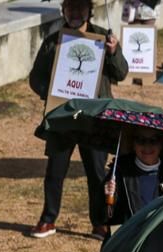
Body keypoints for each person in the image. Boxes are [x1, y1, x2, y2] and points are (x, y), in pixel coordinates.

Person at [27, 0, 129, 239]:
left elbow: (121, 72)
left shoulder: (104, 37)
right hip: (62, 116)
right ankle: (48, 219)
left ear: (89, 11)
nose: (75, 12)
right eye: (70, 7)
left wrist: (113, 53)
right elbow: (35, 77)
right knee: (55, 170)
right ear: (63, 10)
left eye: (80, 8)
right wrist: (50, 91)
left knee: (96, 173)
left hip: (94, 118)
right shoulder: (54, 41)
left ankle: (100, 222)